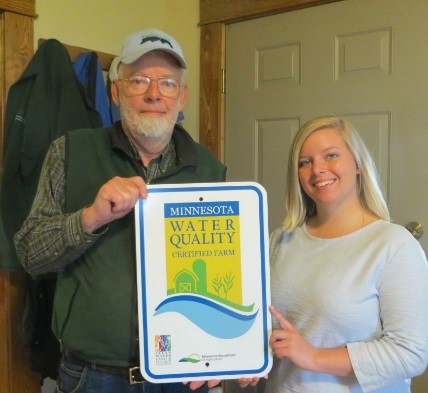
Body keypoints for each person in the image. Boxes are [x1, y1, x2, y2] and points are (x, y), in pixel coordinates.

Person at [14, 28, 225, 393]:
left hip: (181, 375)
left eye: (167, 83)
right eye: (139, 80)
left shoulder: (210, 171)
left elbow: (224, 273)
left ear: (183, 97)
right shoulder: (70, 152)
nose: (154, 93)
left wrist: (224, 351)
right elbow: (31, 254)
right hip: (93, 377)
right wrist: (90, 217)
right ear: (116, 92)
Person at [255, 115, 428, 392]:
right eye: (305, 162)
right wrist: (253, 362)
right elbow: (270, 330)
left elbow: (410, 354)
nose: (317, 170)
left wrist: (313, 357)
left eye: (331, 155)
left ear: (358, 164)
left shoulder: (394, 245)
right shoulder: (281, 240)